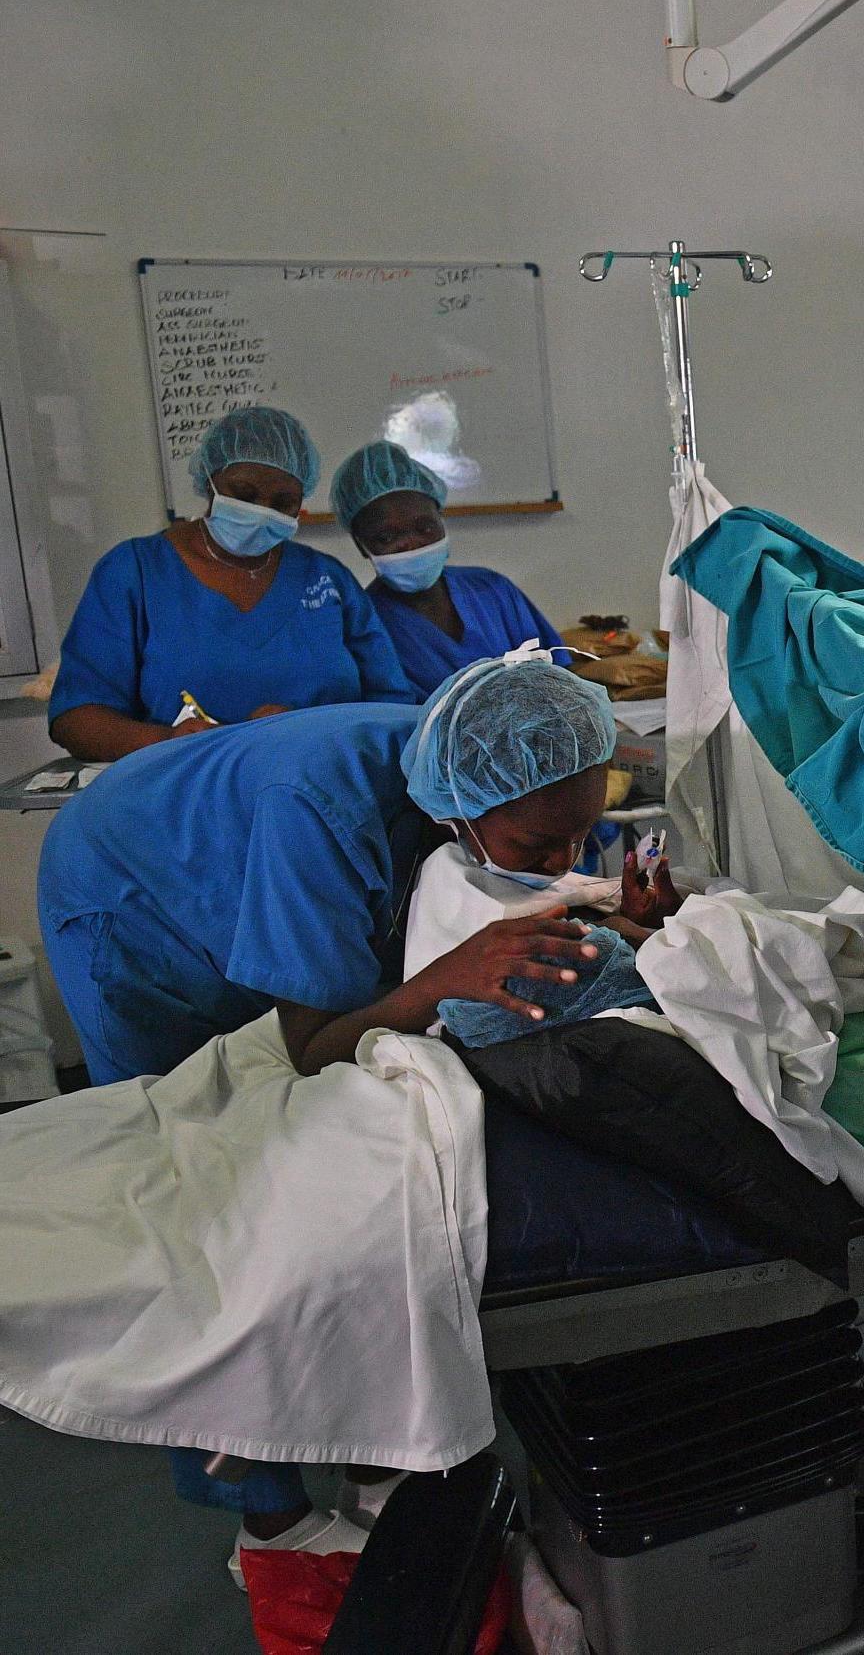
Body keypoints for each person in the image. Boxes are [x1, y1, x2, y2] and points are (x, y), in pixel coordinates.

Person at [34, 652, 622, 1575]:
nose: (565, 865)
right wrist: (439, 982)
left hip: (246, 858)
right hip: (134, 897)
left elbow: (427, 924)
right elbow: (314, 1047)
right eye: (539, 851)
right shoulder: (324, 812)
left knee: (327, 1149)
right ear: (463, 808)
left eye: (582, 840)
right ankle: (268, 1518)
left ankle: (367, 1444)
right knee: (198, 1190)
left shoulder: (481, 766)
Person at [47, 406, 418, 760]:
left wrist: (308, 729)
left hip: (322, 788)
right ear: (210, 482)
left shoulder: (325, 578)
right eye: (244, 495)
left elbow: (392, 705)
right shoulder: (136, 573)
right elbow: (76, 718)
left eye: (283, 502)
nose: (262, 511)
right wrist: (170, 739)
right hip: (184, 793)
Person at [335, 439, 564, 695]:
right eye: (387, 537)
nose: (411, 544)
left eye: (424, 527)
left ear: (441, 521)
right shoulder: (363, 624)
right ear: (360, 544)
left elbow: (560, 673)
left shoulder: (491, 589)